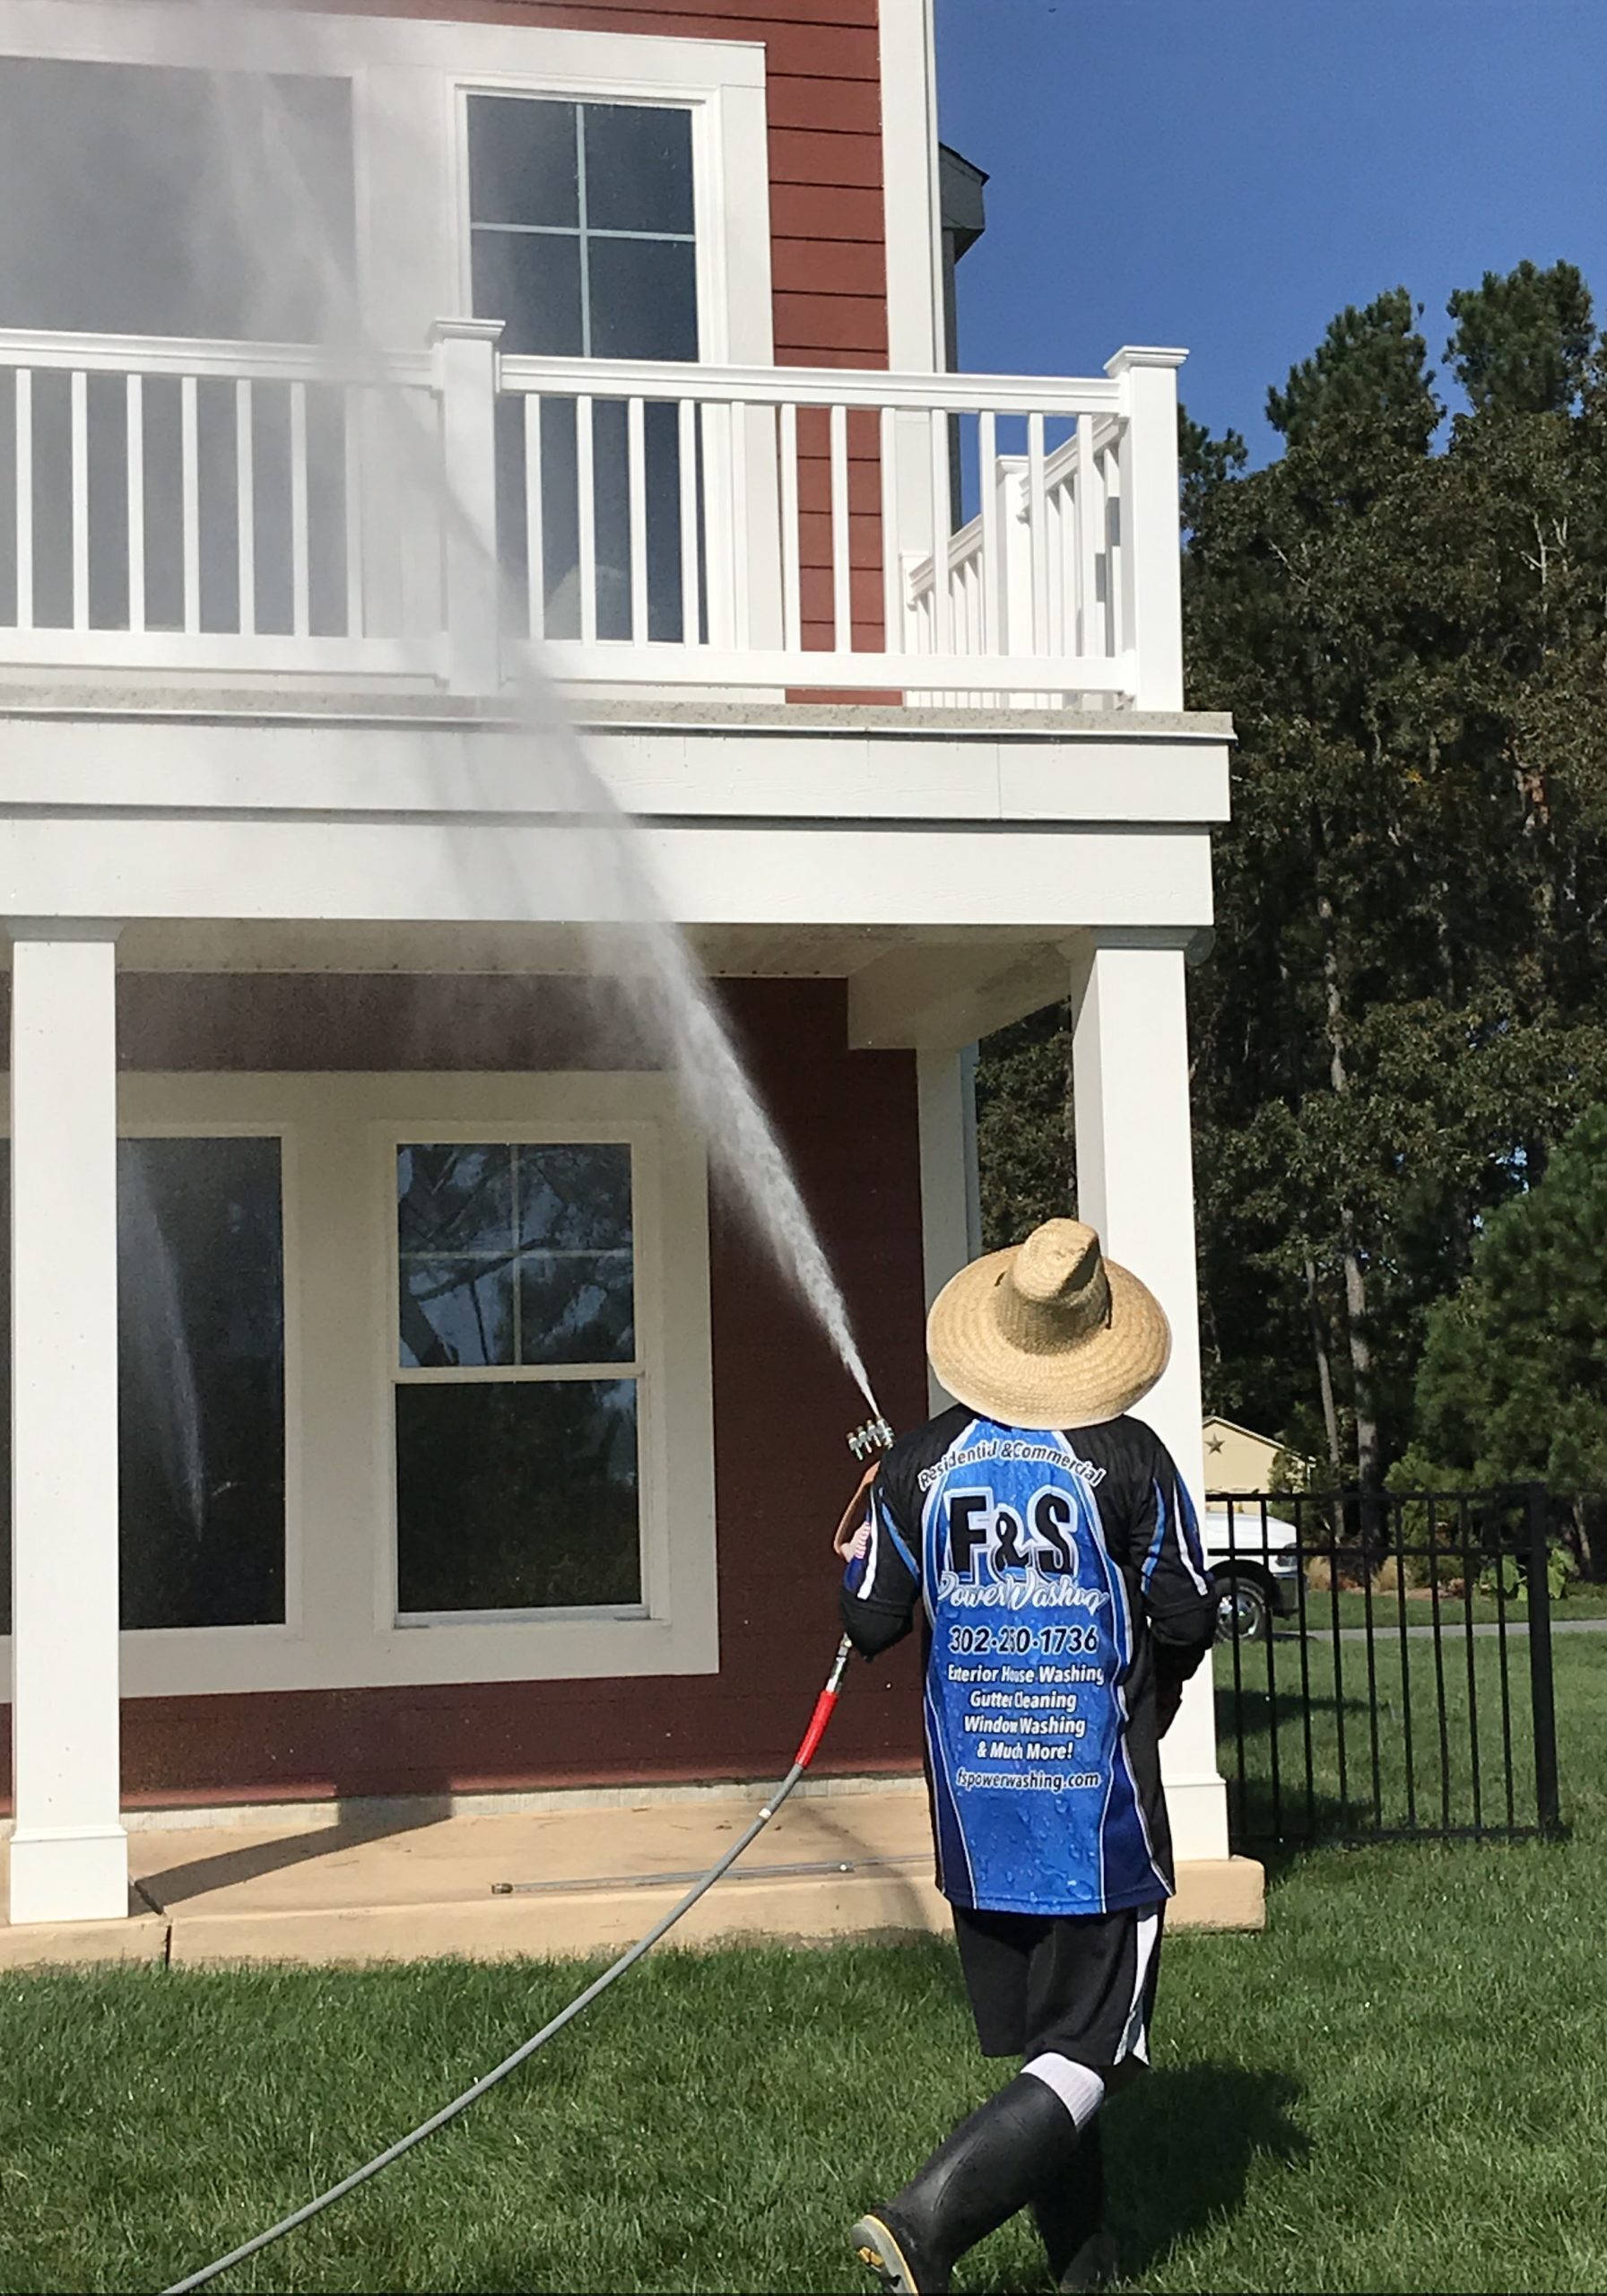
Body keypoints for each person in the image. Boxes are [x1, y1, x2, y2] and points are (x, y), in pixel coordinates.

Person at [836, 1217, 1218, 2296]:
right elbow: (1187, 1615)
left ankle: (1083, 2269)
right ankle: (924, 2223)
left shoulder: (916, 1463)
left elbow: (868, 1623)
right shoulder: (1128, 1458)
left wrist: (870, 1532)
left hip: (976, 1819)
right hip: (1095, 1818)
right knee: (1097, 2053)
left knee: (1052, 2053)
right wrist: (1160, 1695)